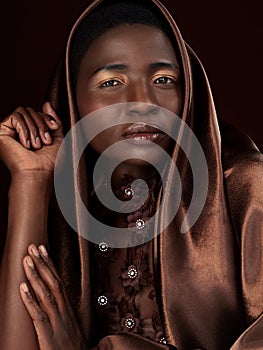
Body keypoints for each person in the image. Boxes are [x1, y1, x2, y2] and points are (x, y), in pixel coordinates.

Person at [0, 0, 262, 349]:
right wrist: (30, 182)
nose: (143, 100)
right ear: (71, 97)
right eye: (111, 82)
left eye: (164, 79)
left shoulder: (244, 183)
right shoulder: (68, 205)